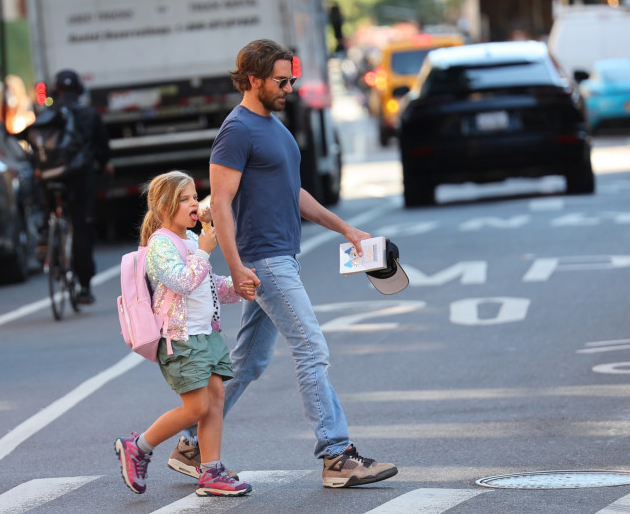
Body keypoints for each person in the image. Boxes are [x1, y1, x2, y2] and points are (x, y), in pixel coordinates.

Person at [169, 39, 399, 488]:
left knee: (248, 363)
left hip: (279, 257)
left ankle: (190, 446)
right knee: (311, 348)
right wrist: (236, 266)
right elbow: (221, 203)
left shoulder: (275, 127)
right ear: (252, 79)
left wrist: (346, 229)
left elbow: (293, 194)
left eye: (292, 79)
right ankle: (336, 455)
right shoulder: (237, 131)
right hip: (264, 262)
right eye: (281, 80)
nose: (289, 87)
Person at [114, 170, 254, 497]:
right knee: (195, 408)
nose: (195, 203)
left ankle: (211, 472)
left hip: (206, 335)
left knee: (216, 400)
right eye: (185, 199)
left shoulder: (190, 239)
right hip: (180, 340)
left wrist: (239, 286)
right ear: (165, 209)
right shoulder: (160, 243)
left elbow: (207, 284)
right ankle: (138, 446)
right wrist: (204, 250)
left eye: (195, 196)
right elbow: (182, 281)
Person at [48, 69, 111, 304]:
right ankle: (84, 287)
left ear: (57, 90)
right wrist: (104, 165)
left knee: (49, 209)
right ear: (79, 90)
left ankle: (48, 240)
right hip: (80, 178)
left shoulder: (46, 115)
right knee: (82, 228)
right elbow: (103, 149)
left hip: (50, 177)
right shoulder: (89, 114)